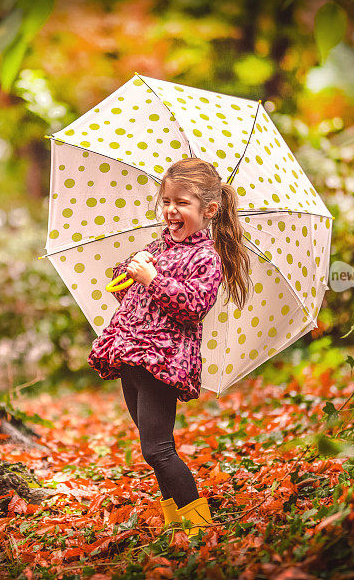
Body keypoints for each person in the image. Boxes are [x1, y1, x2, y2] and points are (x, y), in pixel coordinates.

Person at [87, 157, 252, 538]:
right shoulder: (156, 246)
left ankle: (198, 528)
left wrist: (154, 278)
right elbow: (124, 296)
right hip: (130, 353)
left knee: (157, 448)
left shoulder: (207, 257)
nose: (171, 211)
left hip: (164, 361)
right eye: (166, 201)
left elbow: (194, 307)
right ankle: (176, 523)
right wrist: (129, 271)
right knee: (153, 448)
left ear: (209, 209)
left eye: (182, 203)